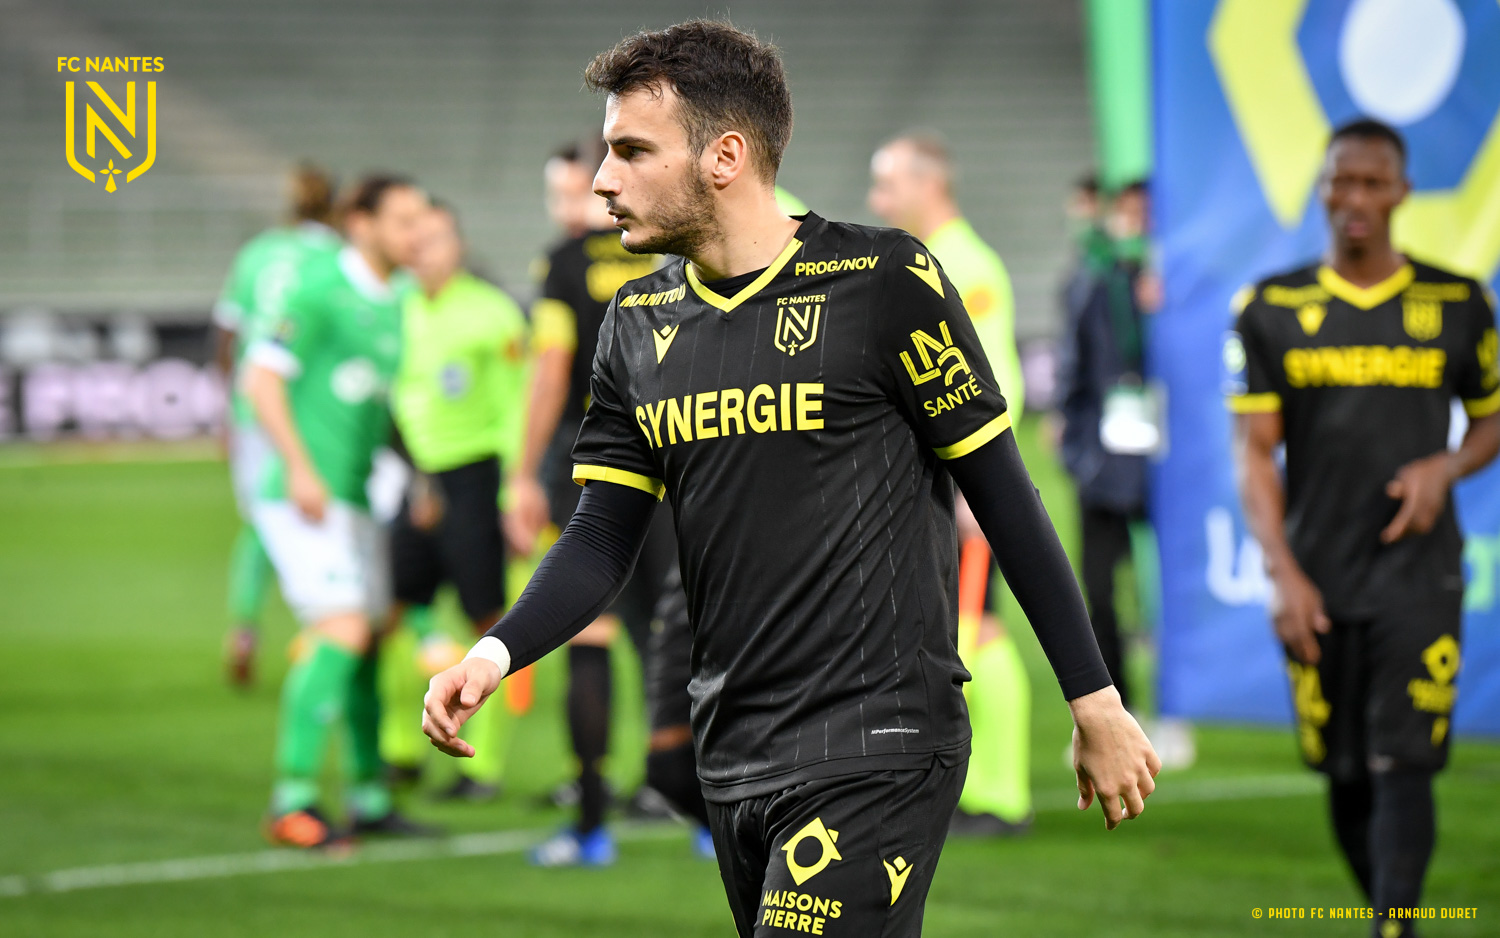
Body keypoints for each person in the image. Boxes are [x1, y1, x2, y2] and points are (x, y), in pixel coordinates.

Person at [424, 21, 1158, 937]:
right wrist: (494, 653)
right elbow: (603, 535)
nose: (603, 179)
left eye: (632, 151)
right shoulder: (636, 323)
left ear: (725, 156)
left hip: (878, 738)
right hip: (732, 743)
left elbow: (1006, 497)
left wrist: (1095, 699)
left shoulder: (884, 281)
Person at [1229, 119, 1499, 938]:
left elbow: (1491, 419)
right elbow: (1254, 452)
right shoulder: (1271, 307)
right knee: (1345, 772)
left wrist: (1444, 467)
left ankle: (1393, 929)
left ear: (1402, 193)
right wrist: (1282, 572)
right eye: (1340, 181)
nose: (1355, 198)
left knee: (1402, 761)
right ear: (1321, 190)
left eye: (1373, 183)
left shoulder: (1458, 303)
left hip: (1421, 573)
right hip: (1318, 574)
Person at [245, 174, 437, 847]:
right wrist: (300, 467)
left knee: (370, 642)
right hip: (304, 497)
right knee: (343, 630)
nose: (416, 233)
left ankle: (369, 797)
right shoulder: (319, 288)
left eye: (422, 220)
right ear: (361, 223)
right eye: (403, 220)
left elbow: (381, 404)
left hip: (357, 498)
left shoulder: (399, 298)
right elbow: (260, 379)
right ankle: (292, 800)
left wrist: (418, 476)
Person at [506, 140, 675, 866]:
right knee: (675, 638)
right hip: (676, 459)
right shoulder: (667, 251)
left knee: (590, 635)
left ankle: (592, 828)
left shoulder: (563, 263)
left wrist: (521, 472)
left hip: (595, 463)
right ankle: (702, 817)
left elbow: (551, 370)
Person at [868, 133, 1033, 835]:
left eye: (887, 185)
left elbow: (995, 381)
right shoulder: (933, 260)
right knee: (963, 629)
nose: (877, 200)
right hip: (940, 480)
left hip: (965, 482)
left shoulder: (966, 266)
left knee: (979, 629)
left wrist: (974, 486)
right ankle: (980, 789)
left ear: (927, 184)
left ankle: (1004, 797)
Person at [384, 202, 529, 801]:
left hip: (475, 479)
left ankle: (480, 767)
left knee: (486, 622)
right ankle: (398, 751)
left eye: (436, 238)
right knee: (392, 614)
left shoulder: (492, 314)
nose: (422, 250)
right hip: (417, 478)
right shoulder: (394, 307)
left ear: (459, 245)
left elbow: (517, 406)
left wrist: (513, 491)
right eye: (414, 239)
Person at [213, 163, 341, 686]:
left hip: (253, 407)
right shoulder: (338, 258)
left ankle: (244, 626)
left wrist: (229, 407)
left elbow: (226, 337)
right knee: (328, 514)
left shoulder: (258, 252)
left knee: (262, 518)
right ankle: (328, 624)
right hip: (312, 411)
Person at [1056, 180, 1153, 714]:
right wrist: (1076, 447)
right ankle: (1120, 705)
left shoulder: (1181, 286)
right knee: (1098, 588)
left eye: (1146, 215)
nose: (1135, 225)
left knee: (1168, 588)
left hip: (1167, 463)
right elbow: (1074, 360)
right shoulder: (1095, 280)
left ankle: (1175, 705)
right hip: (1106, 459)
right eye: (1129, 213)